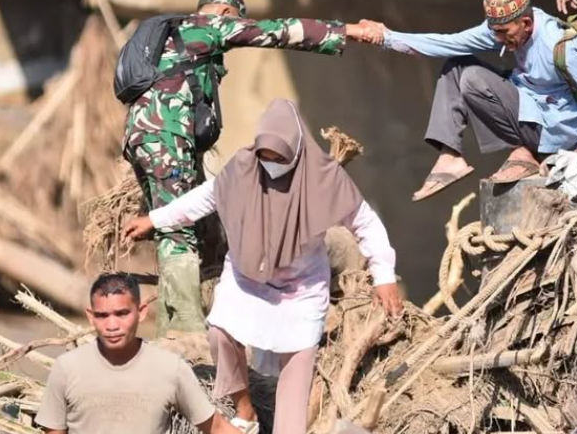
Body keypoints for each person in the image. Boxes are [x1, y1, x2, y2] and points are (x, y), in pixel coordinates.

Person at [124, 99, 402, 434]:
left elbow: (366, 224)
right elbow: (203, 199)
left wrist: (384, 275)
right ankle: (245, 409)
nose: (271, 164)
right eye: (265, 156)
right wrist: (154, 219)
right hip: (247, 278)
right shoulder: (242, 168)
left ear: (298, 151)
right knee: (220, 334)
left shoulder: (324, 178)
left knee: (296, 371)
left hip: (300, 288)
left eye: (279, 158)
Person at [123, 0, 381, 336]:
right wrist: (347, 31)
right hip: (168, 137)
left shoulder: (173, 33)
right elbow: (277, 30)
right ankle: (184, 328)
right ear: (228, 13)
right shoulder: (212, 25)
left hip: (141, 139)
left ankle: (175, 320)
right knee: (179, 229)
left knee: (175, 223)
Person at [359, 0, 577, 201]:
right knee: (456, 66)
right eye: (494, 32)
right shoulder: (505, 29)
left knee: (473, 78)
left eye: (503, 33)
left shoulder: (559, 47)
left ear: (527, 24)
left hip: (557, 129)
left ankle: (525, 150)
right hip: (531, 110)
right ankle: (450, 156)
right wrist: (387, 38)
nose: (497, 39)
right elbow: (449, 43)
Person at [35, 273, 240, 434]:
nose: (112, 325)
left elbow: (217, 428)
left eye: (122, 313)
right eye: (102, 316)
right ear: (91, 317)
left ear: (141, 312)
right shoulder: (67, 368)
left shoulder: (170, 368)